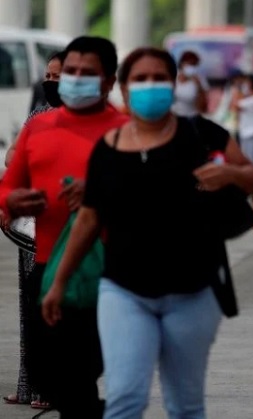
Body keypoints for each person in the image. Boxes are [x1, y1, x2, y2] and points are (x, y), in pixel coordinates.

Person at [41, 46, 253, 419]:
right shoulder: (106, 149)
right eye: (140, 79)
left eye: (159, 78)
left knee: (185, 406)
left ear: (174, 86)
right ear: (123, 89)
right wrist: (58, 283)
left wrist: (231, 175)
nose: (150, 86)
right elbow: (89, 220)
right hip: (124, 292)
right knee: (125, 399)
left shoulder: (200, 134)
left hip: (192, 293)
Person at [0, 36, 129, 418]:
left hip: (108, 272)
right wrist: (11, 201)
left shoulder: (127, 131)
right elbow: (9, 187)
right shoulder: (39, 128)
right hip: (48, 267)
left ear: (108, 81)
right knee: (48, 370)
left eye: (85, 73)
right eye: (68, 72)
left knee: (84, 370)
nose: (71, 79)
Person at [1, 50, 66, 411]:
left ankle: (54, 388)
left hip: (65, 229)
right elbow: (14, 155)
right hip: (32, 227)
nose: (50, 83)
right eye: (48, 76)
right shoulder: (39, 114)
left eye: (58, 77)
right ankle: (29, 385)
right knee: (29, 305)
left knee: (52, 308)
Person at [171, 50, 209, 117]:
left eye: (194, 65)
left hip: (191, 117)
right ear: (182, 63)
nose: (192, 67)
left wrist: (198, 86)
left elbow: (203, 107)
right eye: (190, 64)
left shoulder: (200, 80)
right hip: (174, 116)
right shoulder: (173, 78)